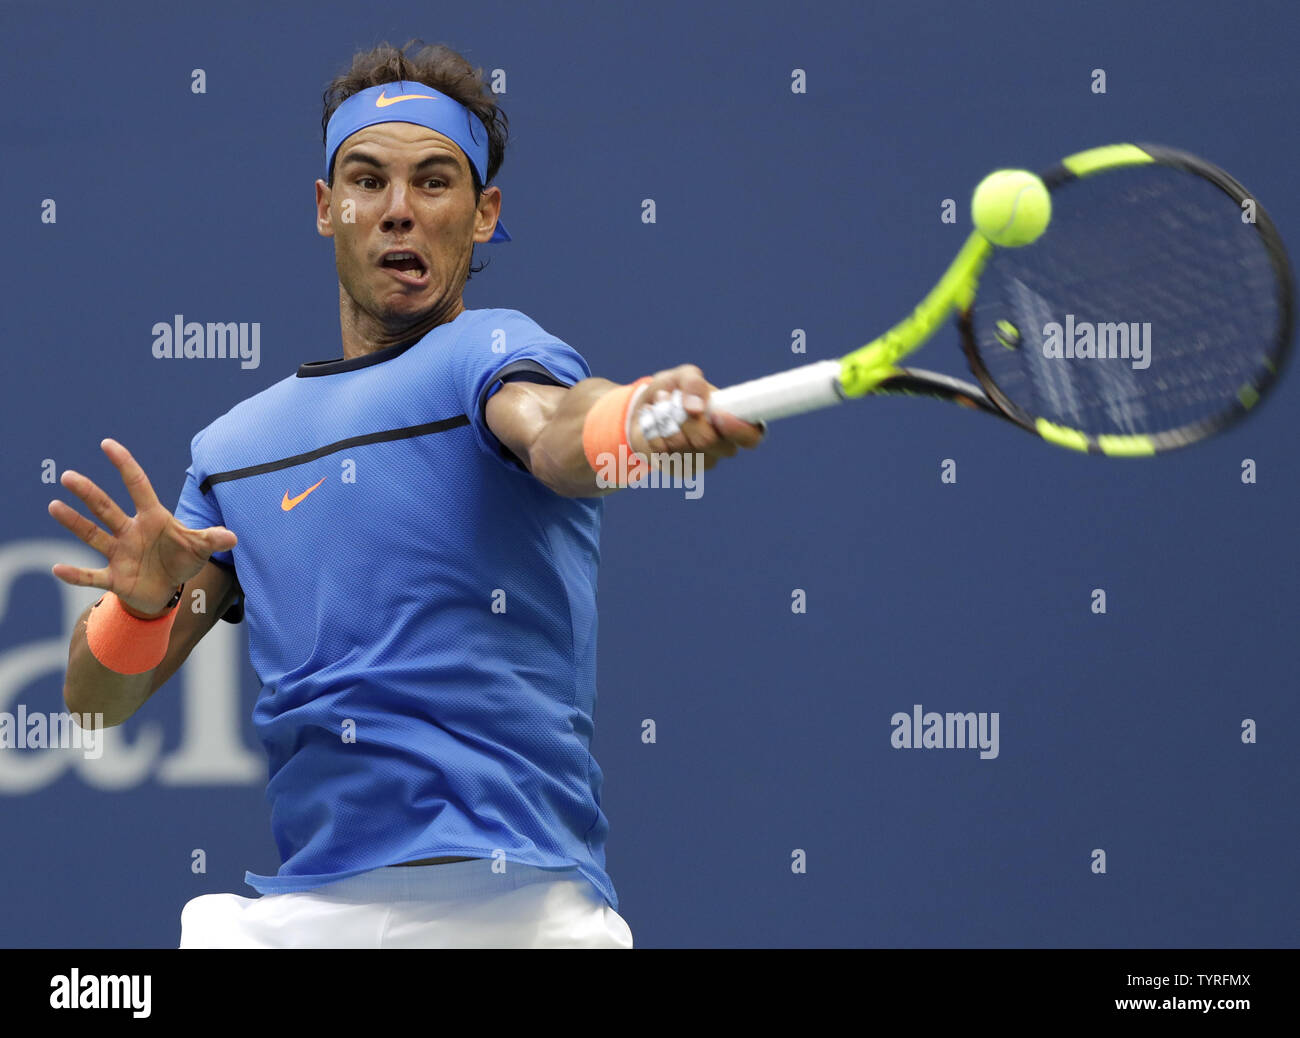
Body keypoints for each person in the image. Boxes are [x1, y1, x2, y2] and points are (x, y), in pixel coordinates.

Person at [49, 40, 763, 948]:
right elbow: (94, 704)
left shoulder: (489, 353)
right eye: (366, 180)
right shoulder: (232, 453)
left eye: (434, 182)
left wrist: (636, 428)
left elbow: (553, 433)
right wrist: (143, 606)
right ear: (324, 208)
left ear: (482, 215)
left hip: (516, 908)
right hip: (306, 914)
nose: (397, 212)